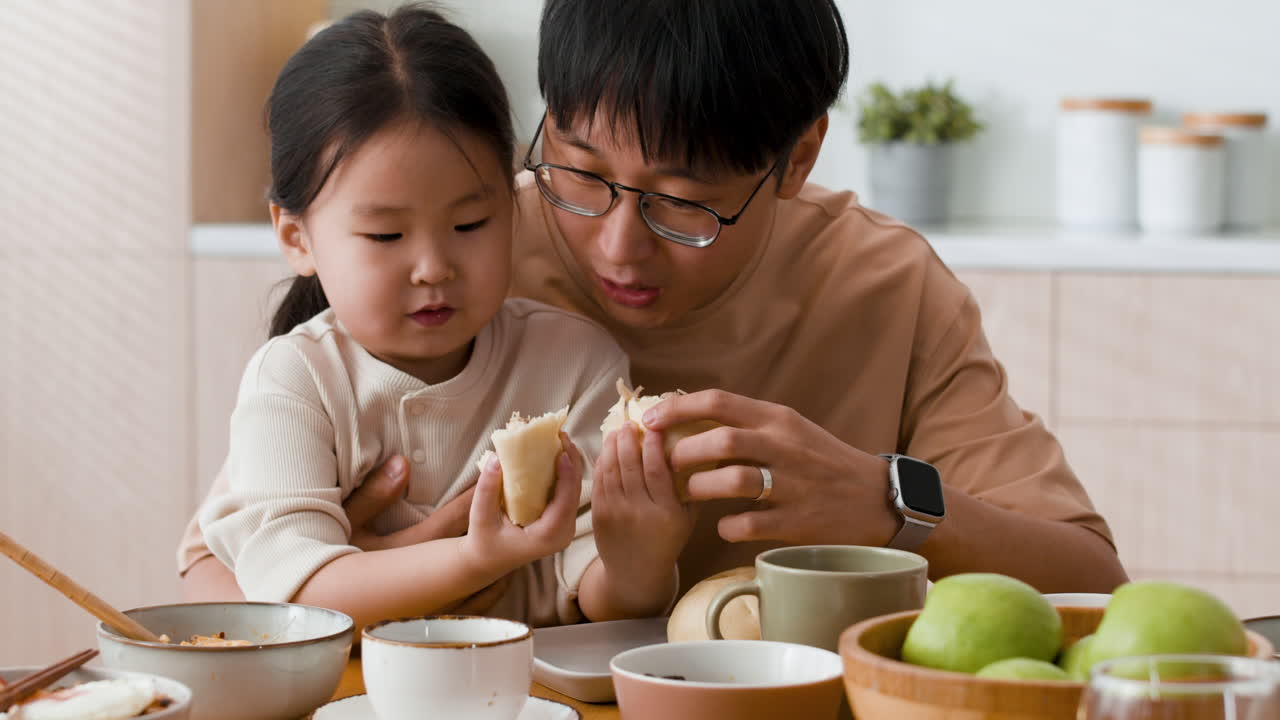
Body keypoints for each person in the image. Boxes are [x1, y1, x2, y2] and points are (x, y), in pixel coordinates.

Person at [182, 0, 1126, 605]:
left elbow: (1091, 575)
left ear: (797, 157)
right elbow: (217, 572)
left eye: (683, 202)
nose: (617, 246)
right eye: (581, 172)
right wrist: (394, 565)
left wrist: (885, 501)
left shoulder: (883, 284)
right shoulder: (462, 248)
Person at [192, 4, 688, 633]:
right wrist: (474, 558)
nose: (433, 267)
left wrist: (641, 558)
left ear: (514, 207)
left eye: (469, 225)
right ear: (297, 238)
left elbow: (597, 593)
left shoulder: (576, 361)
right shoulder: (295, 380)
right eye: (385, 234)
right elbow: (298, 596)